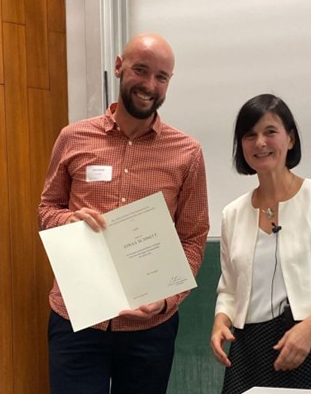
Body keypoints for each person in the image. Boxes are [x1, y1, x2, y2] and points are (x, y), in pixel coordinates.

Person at [38, 33, 210, 394]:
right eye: (141, 70)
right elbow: (47, 209)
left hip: (149, 329)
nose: (150, 85)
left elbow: (193, 238)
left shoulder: (187, 153)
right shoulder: (73, 137)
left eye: (161, 77)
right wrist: (68, 220)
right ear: (119, 66)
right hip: (76, 319)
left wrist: (167, 300)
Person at [210, 93, 311, 394]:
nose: (260, 143)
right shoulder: (232, 214)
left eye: (270, 131)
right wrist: (221, 322)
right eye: (249, 135)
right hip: (249, 351)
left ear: (291, 139)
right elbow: (230, 288)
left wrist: (307, 330)